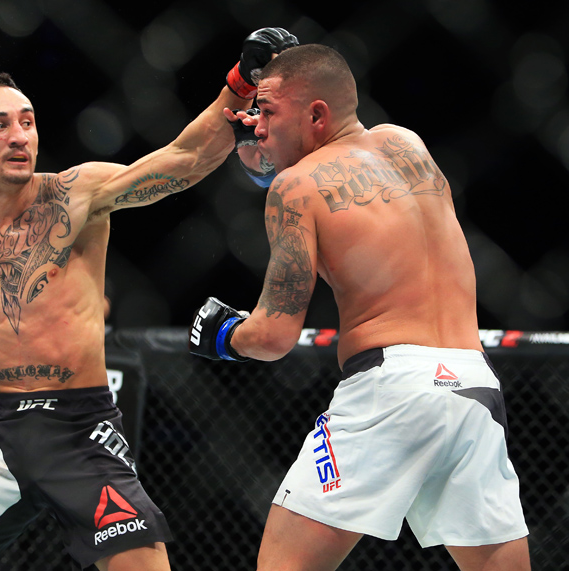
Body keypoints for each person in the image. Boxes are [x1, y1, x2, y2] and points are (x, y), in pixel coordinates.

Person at [0, 28, 298, 571]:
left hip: (80, 426)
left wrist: (239, 84)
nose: (19, 136)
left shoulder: (77, 194)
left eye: (26, 121)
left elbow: (184, 160)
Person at [189, 43, 531, 571]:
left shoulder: (293, 189)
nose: (256, 125)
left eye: (269, 112)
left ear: (316, 115)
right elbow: (340, 168)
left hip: (388, 391)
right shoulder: (407, 144)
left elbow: (273, 336)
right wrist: (262, 147)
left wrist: (220, 334)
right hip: (472, 385)